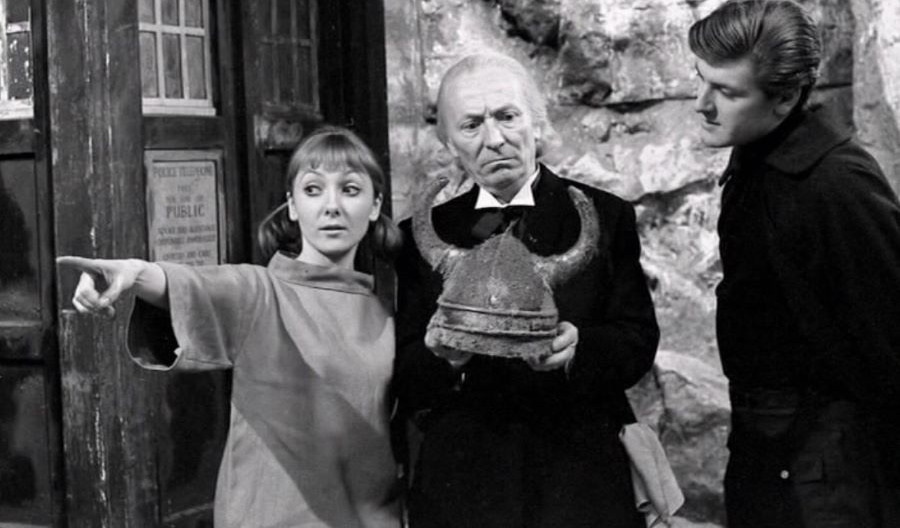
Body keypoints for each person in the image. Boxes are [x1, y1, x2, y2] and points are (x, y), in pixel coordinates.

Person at [57, 126, 403, 528]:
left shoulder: (386, 313)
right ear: (292, 206)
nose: (332, 206)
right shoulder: (260, 292)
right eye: (313, 190)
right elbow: (194, 284)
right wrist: (133, 272)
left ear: (375, 205)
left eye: (350, 189)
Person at [393, 51, 660, 528]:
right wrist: (443, 357)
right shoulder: (422, 234)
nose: (494, 139)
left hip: (579, 479)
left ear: (536, 122)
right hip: (465, 486)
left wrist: (579, 349)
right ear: (449, 142)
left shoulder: (606, 216)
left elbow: (637, 340)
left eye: (507, 116)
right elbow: (406, 371)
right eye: (471, 125)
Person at [690, 0, 900, 528]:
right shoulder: (757, 157)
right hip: (771, 450)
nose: (702, 104)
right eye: (701, 80)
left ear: (785, 98)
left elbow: (889, 347)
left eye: (727, 92)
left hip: (830, 474)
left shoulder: (836, 185)